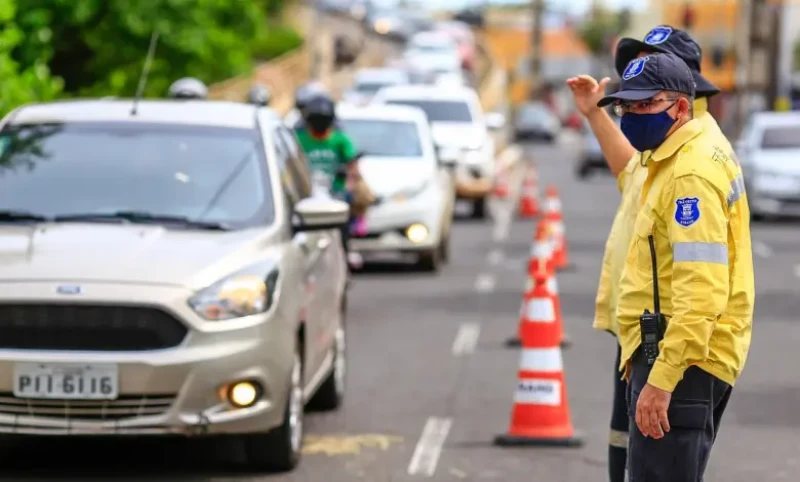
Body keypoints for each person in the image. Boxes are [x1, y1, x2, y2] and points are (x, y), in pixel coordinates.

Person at [565, 25, 739, 482]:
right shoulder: (667, 150)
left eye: (646, 100)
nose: (634, 112)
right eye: (629, 102)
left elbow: (701, 291)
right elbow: (631, 176)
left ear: (683, 96)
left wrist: (663, 378)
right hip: (653, 345)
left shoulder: (690, 169)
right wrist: (597, 115)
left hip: (676, 354)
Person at [294, 94, 364, 269]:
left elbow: (352, 165)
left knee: (342, 220)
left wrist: (349, 181)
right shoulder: (299, 139)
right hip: (307, 192)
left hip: (334, 191)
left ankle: (345, 250)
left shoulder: (339, 140)